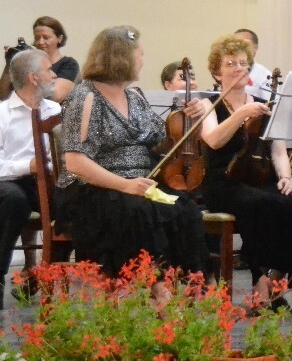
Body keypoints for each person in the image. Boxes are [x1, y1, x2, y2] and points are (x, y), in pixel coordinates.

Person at [58, 27, 209, 291]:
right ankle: (157, 289)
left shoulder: (134, 96)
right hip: (94, 189)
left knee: (185, 208)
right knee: (139, 211)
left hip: (138, 184)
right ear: (122, 57)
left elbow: (160, 142)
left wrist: (187, 120)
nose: (142, 60)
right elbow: (75, 162)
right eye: (140, 54)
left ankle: (189, 285)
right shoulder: (84, 96)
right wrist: (125, 185)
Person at [199, 35, 292, 310]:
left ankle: (278, 277)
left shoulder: (262, 103)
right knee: (259, 204)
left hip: (259, 177)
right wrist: (241, 114)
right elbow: (213, 140)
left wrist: (286, 177)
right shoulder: (209, 104)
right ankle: (260, 280)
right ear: (216, 73)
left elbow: (278, 151)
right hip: (223, 181)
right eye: (230, 63)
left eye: (243, 63)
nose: (238, 68)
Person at [0, 49, 60, 309]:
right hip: (11, 181)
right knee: (14, 201)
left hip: (49, 180)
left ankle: (46, 274)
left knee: (74, 202)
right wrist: (28, 165)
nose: (54, 75)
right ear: (34, 78)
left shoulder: (55, 109)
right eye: (49, 70)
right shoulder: (3, 114)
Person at [32, 16, 78, 103]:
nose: (40, 42)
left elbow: (55, 96)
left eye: (46, 37)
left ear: (59, 39)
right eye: (37, 38)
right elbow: (5, 94)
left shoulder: (68, 64)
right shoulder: (30, 64)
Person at [233, 28, 273, 99]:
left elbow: (272, 103)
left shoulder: (265, 76)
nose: (239, 48)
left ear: (255, 48)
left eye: (245, 45)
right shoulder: (227, 70)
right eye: (235, 45)